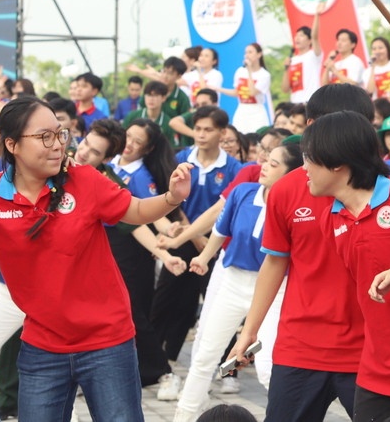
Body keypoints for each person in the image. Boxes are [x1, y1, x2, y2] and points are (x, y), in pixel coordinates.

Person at [0, 95, 193, 422]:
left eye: (61, 134)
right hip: (42, 344)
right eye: (45, 137)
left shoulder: (82, 179)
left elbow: (136, 210)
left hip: (106, 342)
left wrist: (171, 198)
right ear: (12, 144)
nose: (58, 145)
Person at [227, 84, 373, 422]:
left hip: (368, 349)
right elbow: (274, 262)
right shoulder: (287, 190)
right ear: (311, 128)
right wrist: (250, 330)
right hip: (300, 348)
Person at [302, 110, 390, 422]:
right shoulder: (331, 218)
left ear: (336, 161)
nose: (304, 168)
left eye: (309, 158)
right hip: (375, 367)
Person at [170, 141, 304, 422]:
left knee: (269, 365)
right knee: (207, 353)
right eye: (265, 159)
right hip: (233, 282)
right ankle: (183, 416)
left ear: (291, 174)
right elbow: (220, 230)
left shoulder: (298, 206)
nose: (263, 165)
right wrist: (205, 257)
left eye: (273, 163)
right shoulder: (243, 192)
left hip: (275, 290)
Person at [154, 107, 243, 385]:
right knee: (167, 303)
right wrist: (196, 238)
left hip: (218, 247)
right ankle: (159, 365)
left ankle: (229, 372)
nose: (201, 135)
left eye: (208, 129)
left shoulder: (233, 168)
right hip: (182, 242)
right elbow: (172, 200)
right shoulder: (181, 159)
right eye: (198, 129)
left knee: (221, 309)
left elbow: (227, 210)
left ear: (222, 132)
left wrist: (209, 245)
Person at [109, 118, 185, 392]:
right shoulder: (108, 166)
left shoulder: (140, 176)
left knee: (132, 313)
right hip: (104, 244)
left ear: (148, 148)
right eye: (127, 136)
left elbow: (151, 215)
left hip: (130, 249)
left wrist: (171, 232)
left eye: (137, 141)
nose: (128, 144)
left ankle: (163, 372)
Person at [218, 43, 274, 135]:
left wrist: (249, 71)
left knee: (256, 136)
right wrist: (218, 89)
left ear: (259, 54)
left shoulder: (264, 75)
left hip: (257, 110)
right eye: (246, 52)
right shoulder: (240, 71)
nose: (247, 55)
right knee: (239, 134)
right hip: (242, 109)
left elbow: (252, 92)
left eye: (250, 52)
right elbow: (237, 92)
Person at [287, 12, 325, 105]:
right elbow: (287, 87)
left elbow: (315, 36)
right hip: (295, 103)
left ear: (309, 40)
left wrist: (316, 15)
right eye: (296, 35)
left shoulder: (314, 55)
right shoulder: (292, 60)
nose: (297, 38)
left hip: (311, 100)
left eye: (301, 35)